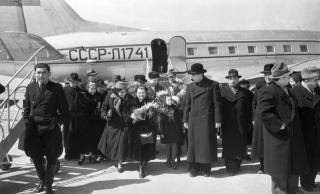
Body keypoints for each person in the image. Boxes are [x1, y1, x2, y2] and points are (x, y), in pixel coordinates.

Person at [259, 63, 308, 194]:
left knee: (293, 169)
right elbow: (264, 113)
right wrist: (279, 126)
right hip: (279, 140)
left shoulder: (289, 90)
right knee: (280, 173)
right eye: (287, 76)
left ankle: (293, 190)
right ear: (281, 78)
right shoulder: (268, 91)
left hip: (292, 138)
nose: (289, 78)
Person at [23, 63, 68, 194]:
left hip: (50, 129)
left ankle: (48, 186)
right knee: (36, 157)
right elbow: (26, 109)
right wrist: (27, 121)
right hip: (34, 129)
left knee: (51, 157)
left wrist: (56, 123)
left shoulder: (57, 88)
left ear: (49, 74)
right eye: (38, 72)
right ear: (35, 74)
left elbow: (65, 112)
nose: (40, 75)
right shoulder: (30, 87)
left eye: (43, 72)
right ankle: (42, 181)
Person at [183, 63, 221, 177]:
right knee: (193, 146)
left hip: (207, 120)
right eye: (192, 75)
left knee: (206, 145)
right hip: (193, 120)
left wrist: (218, 120)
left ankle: (206, 169)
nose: (192, 77)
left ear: (201, 74)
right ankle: (194, 169)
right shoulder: (190, 87)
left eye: (194, 75)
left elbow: (217, 105)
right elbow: (186, 105)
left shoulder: (213, 85)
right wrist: (185, 120)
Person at [290, 67, 320, 192]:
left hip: (317, 132)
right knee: (307, 159)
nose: (317, 82)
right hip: (303, 133)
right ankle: (305, 183)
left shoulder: (317, 90)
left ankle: (311, 181)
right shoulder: (294, 92)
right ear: (307, 80)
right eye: (315, 80)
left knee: (316, 158)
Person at [220, 69, 250, 176]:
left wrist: (249, 124)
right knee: (228, 146)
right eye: (230, 78)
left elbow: (249, 110)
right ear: (228, 80)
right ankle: (230, 168)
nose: (232, 80)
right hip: (227, 124)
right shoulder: (222, 92)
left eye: (235, 78)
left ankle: (237, 165)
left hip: (241, 124)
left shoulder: (245, 92)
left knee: (240, 146)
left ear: (238, 79)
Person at [98, 81, 133, 173]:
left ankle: (120, 163)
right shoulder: (110, 96)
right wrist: (105, 115)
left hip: (124, 124)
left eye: (124, 91)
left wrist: (128, 117)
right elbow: (104, 107)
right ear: (116, 91)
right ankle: (113, 157)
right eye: (120, 91)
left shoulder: (129, 98)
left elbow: (131, 111)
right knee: (112, 143)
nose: (122, 93)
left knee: (121, 144)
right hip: (112, 124)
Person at [129, 86, 158, 178]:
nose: (141, 95)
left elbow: (153, 116)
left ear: (146, 93)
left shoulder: (151, 101)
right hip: (136, 128)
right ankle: (141, 167)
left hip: (147, 128)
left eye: (143, 93)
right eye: (139, 93)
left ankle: (144, 161)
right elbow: (131, 114)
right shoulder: (132, 102)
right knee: (139, 148)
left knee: (146, 147)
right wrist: (134, 116)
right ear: (136, 93)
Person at [251, 63, 274, 173]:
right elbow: (254, 103)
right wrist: (254, 118)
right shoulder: (259, 86)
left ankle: (272, 166)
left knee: (273, 144)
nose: (268, 76)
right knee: (261, 144)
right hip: (260, 119)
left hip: (274, 119)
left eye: (270, 74)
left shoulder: (278, 85)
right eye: (266, 74)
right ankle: (262, 166)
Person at [75, 82, 101, 165]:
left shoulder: (98, 96)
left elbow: (99, 108)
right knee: (83, 139)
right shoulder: (82, 96)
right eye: (91, 88)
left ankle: (91, 155)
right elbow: (77, 108)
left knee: (93, 139)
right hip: (84, 121)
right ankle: (82, 156)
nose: (93, 90)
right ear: (87, 89)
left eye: (94, 88)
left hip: (94, 121)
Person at [159, 95, 184, 169]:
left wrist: (181, 129)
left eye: (170, 99)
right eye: (168, 100)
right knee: (168, 146)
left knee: (174, 146)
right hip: (166, 130)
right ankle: (168, 160)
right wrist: (161, 132)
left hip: (175, 130)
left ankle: (173, 161)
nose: (170, 101)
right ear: (165, 101)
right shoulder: (162, 109)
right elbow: (160, 122)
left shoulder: (176, 109)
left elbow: (179, 120)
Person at [63, 73, 82, 160]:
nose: (74, 84)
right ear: (69, 81)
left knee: (76, 135)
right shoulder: (64, 90)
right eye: (72, 82)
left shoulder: (80, 90)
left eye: (75, 82)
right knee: (67, 135)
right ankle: (68, 153)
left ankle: (76, 153)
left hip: (77, 116)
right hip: (67, 116)